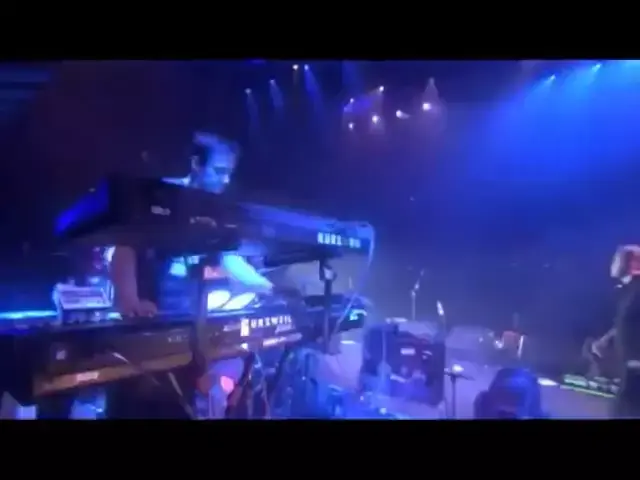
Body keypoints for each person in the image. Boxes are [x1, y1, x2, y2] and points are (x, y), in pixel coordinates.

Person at [106, 131, 272, 419]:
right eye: (219, 171)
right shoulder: (160, 195)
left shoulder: (215, 209)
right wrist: (129, 300)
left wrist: (268, 287)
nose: (225, 181)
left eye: (229, 173)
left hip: (189, 319)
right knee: (137, 404)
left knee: (179, 404)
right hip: (149, 315)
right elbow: (125, 246)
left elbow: (228, 257)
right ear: (196, 164)